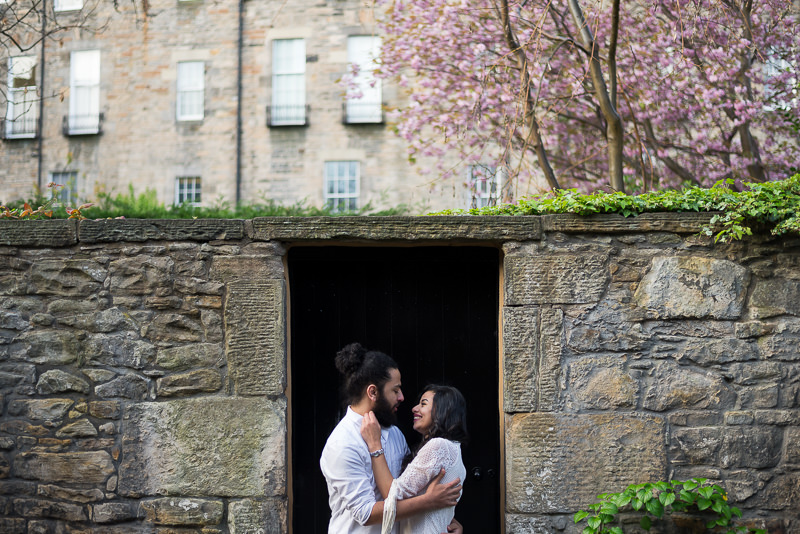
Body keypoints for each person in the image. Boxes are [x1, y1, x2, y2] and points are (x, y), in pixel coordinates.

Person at [320, 343, 463, 534]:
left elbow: (411, 487)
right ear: (372, 392)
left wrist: (446, 519)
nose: (402, 397)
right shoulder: (342, 443)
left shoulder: (393, 432)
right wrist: (429, 502)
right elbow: (366, 514)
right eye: (395, 390)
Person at [361, 385, 468, 534]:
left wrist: (374, 445)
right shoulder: (453, 449)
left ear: (443, 410)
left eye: (423, 404)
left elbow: (391, 494)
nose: (414, 408)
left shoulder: (438, 446)